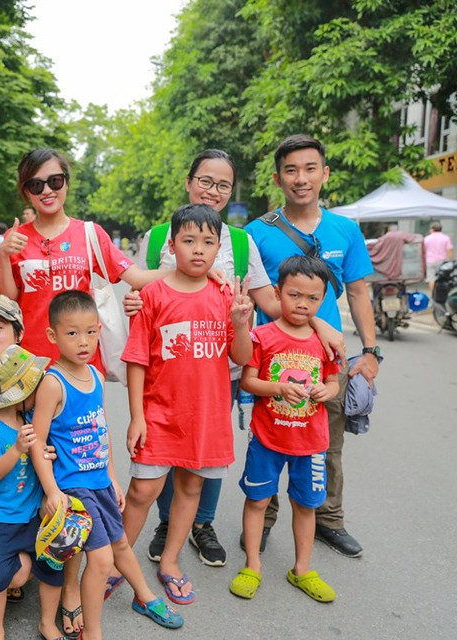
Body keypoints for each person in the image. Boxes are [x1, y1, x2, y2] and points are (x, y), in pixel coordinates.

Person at [125, 149, 343, 569]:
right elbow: (138, 294)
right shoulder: (158, 237)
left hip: (219, 369)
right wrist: (136, 303)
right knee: (160, 459)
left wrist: (321, 325)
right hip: (165, 371)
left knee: (202, 458)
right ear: (189, 182)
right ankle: (166, 525)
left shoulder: (241, 242)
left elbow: (274, 304)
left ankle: (201, 527)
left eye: (223, 185)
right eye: (206, 180)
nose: (214, 191)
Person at [245, 134, 378, 558]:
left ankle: (329, 520)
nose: (300, 179)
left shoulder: (346, 230)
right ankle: (262, 518)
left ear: (325, 174)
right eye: (291, 170)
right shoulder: (256, 233)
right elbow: (255, 294)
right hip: (271, 362)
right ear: (277, 178)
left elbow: (358, 292)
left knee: (326, 445)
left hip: (327, 361)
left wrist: (371, 352)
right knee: (267, 442)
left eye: (309, 169)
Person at [30, 291, 184, 640]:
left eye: (90, 332)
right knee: (100, 561)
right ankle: (94, 632)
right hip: (73, 488)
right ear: (53, 336)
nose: (83, 341)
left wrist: (113, 478)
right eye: (72, 333)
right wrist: (53, 491)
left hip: (99, 481)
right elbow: (37, 443)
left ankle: (144, 596)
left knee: (120, 546)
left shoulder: (96, 376)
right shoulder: (53, 383)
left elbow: (101, 430)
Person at [120, 204, 253, 607]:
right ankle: (114, 560)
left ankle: (171, 562)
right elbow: (137, 359)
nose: (199, 250)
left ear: (218, 250)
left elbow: (242, 357)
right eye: (189, 240)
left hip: (207, 416)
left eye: (208, 242)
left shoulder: (227, 294)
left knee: (192, 486)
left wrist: (242, 322)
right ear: (172, 246)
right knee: (143, 491)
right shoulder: (153, 295)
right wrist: (137, 417)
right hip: (158, 414)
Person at [232, 255, 340, 603]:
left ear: (322, 299)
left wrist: (328, 391)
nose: (302, 304)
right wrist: (278, 388)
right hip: (268, 438)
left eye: (312, 298)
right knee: (258, 500)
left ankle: (303, 569)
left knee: (306, 505)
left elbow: (334, 381)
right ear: (277, 293)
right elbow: (248, 382)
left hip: (311, 442)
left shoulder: (326, 342)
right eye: (294, 295)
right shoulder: (262, 336)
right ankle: (252, 565)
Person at [0, 148, 165, 372]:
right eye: (36, 185)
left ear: (66, 183)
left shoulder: (89, 234)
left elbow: (138, 277)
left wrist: (190, 272)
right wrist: (3, 255)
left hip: (84, 364)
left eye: (54, 181)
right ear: (26, 192)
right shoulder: (15, 238)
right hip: (32, 364)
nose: (47, 190)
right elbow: (8, 300)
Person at [0, 344, 64, 640]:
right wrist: (17, 449)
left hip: (32, 515)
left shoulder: (31, 422)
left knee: (50, 565)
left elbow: (39, 461)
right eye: (37, 385)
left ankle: (48, 622)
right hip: (0, 518)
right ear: (21, 392)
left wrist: (47, 453)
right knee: (0, 577)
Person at [424, 221, 454, 290]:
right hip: (442, 261)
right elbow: (450, 250)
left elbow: (423, 251)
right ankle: (441, 293)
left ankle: (433, 293)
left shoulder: (427, 238)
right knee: (442, 278)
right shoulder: (446, 238)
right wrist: (451, 260)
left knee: (431, 279)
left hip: (430, 261)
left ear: (432, 229)